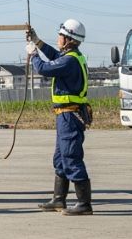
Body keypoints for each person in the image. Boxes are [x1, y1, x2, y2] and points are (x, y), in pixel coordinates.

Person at [27, 18, 93, 215]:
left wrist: (33, 54)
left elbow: (44, 68)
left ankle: (84, 204)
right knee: (60, 158)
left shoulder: (70, 61)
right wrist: (38, 42)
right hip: (65, 115)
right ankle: (58, 200)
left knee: (71, 156)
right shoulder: (72, 57)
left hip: (70, 115)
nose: (58, 38)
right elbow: (55, 56)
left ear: (68, 39)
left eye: (60, 35)